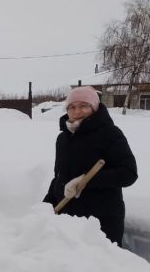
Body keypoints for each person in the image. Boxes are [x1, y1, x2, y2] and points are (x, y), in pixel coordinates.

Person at [43, 86, 137, 247]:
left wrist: (86, 181)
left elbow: (128, 173)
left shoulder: (110, 134)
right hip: (67, 221)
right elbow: (59, 177)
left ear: (94, 108)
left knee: (100, 270)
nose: (77, 111)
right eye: (72, 107)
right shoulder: (63, 139)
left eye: (83, 106)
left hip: (101, 223)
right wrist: (46, 206)